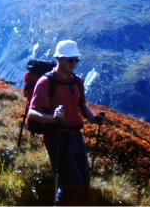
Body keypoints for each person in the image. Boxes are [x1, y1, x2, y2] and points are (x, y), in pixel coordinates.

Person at [27, 40, 104, 205]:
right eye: (70, 60)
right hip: (56, 137)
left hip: (76, 136)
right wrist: (52, 118)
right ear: (59, 59)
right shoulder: (46, 82)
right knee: (71, 184)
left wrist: (93, 117)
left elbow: (82, 105)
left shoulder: (77, 81)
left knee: (84, 184)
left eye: (76, 60)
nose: (74, 63)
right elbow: (32, 112)